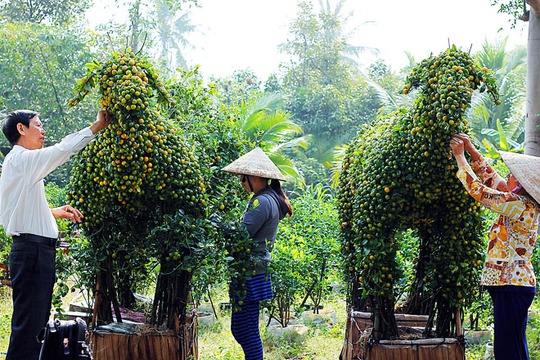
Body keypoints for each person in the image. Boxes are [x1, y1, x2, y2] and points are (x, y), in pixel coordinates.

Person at [0, 109, 111, 360]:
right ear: (21, 129)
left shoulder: (19, 164)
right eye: (38, 125)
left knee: (32, 326)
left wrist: (53, 211)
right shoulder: (23, 160)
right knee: (29, 329)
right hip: (32, 253)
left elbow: (14, 208)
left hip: (32, 251)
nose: (43, 131)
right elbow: (63, 150)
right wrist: (96, 126)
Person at [450, 133, 540, 360]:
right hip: (512, 284)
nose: (507, 177)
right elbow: (493, 179)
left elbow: (480, 192)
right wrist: (471, 149)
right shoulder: (520, 201)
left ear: (520, 185)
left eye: (511, 176)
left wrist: (460, 158)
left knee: (509, 350)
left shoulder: (518, 205)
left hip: (511, 284)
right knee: (513, 346)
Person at [221, 147, 293, 360]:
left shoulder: (261, 201)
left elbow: (241, 235)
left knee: (245, 330)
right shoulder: (268, 198)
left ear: (254, 177)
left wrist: (219, 225)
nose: (242, 183)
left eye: (243, 178)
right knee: (245, 328)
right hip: (255, 270)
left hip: (250, 273)